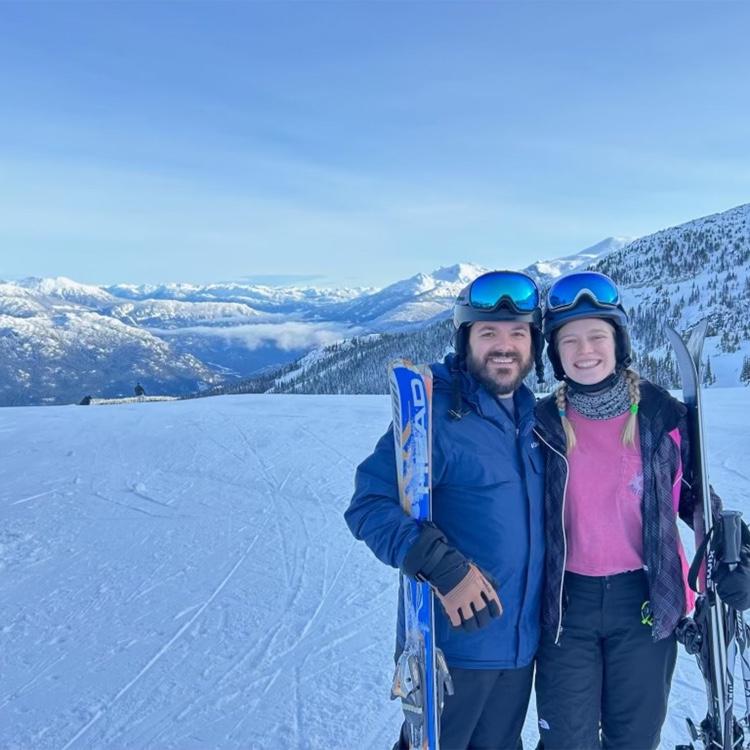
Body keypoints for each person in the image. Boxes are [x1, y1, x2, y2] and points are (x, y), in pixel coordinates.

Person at [345, 270, 546, 750]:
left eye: (518, 333)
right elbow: (368, 504)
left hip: (518, 650)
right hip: (451, 651)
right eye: (488, 333)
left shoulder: (537, 421)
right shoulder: (435, 413)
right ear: (465, 339)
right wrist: (442, 566)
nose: (504, 346)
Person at [532, 270, 727, 750]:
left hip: (645, 599)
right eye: (569, 340)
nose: (585, 350)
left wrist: (731, 554)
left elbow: (696, 498)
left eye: (597, 336)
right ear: (554, 354)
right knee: (566, 743)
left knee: (634, 739)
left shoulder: (662, 416)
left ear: (618, 341)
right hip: (565, 605)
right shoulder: (539, 425)